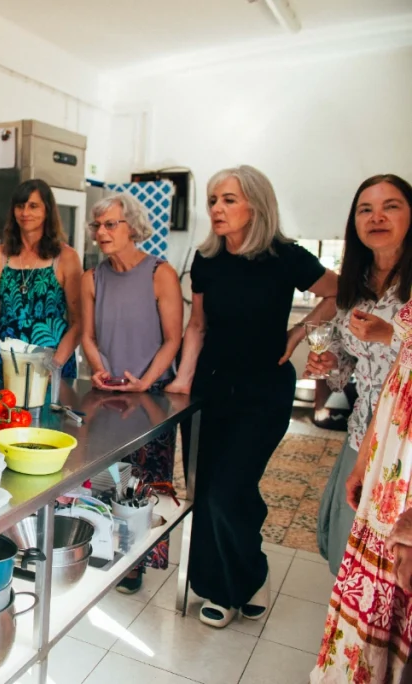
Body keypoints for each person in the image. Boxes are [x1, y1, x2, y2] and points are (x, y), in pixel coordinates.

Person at [166, 165, 338, 629]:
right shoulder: (206, 260)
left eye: (228, 200)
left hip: (264, 391)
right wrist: (182, 381)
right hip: (211, 389)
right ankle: (218, 585)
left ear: (255, 206)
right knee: (206, 491)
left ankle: (248, 573)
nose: (217, 209)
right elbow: (196, 326)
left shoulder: (286, 257)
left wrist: (301, 331)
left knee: (229, 489)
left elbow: (338, 291)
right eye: (213, 201)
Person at [311, 175, 412, 684]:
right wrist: (330, 361)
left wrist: (392, 332)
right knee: (342, 546)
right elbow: (349, 367)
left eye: (390, 206)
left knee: (390, 565)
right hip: (361, 437)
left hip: (402, 448)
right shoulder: (356, 284)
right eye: (365, 209)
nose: (377, 217)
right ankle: (350, 646)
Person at [79, 192, 183, 594]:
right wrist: (98, 368)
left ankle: (140, 558)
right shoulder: (92, 278)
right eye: (97, 225)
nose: (102, 232)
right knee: (108, 479)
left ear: (133, 228)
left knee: (146, 484)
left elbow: (173, 339)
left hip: (152, 396)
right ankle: (109, 551)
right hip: (107, 396)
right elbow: (87, 336)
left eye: (111, 224)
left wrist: (144, 382)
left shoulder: (160, 273)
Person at [0, 179, 82, 388]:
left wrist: (56, 364)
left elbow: (79, 321)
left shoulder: (66, 257)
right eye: (20, 206)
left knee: (50, 421)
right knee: (5, 420)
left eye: (33, 206)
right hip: (4, 364)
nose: (25, 213)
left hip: (53, 365)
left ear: (47, 211)